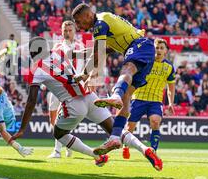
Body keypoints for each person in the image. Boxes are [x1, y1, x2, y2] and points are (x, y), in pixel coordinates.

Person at [10, 37, 162, 170]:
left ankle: (96, 156)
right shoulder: (59, 52)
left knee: (59, 134)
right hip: (90, 96)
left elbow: (31, 101)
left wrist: (23, 128)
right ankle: (144, 149)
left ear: (32, 53)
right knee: (114, 130)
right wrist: (108, 48)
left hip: (73, 104)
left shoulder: (36, 69)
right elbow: (85, 52)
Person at [71, 3, 156, 156]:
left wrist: (92, 74)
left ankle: (115, 96)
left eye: (78, 21)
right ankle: (115, 137)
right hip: (143, 50)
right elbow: (102, 50)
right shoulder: (103, 24)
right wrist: (84, 74)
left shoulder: (99, 23)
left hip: (140, 45)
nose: (77, 25)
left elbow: (98, 52)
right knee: (126, 96)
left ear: (88, 15)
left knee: (127, 68)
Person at [122, 39, 176, 159]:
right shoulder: (145, 62)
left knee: (155, 121)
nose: (159, 50)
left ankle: (153, 151)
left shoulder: (169, 67)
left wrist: (171, 103)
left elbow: (171, 87)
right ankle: (126, 146)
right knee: (130, 127)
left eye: (162, 48)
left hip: (155, 101)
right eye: (157, 47)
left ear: (166, 51)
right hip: (138, 98)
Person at [47, 21, 85, 159]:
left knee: (60, 117)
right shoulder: (57, 46)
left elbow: (82, 68)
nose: (67, 32)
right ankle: (68, 144)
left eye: (70, 30)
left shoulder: (80, 47)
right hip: (57, 85)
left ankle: (57, 151)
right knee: (52, 118)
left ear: (74, 31)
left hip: (71, 87)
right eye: (65, 30)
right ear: (61, 31)